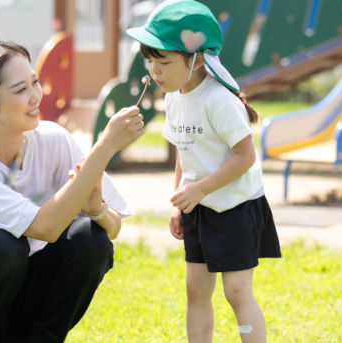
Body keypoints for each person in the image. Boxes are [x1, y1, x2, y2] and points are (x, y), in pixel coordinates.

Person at [0, 41, 144, 342]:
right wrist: (106, 145)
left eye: (35, 82)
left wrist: (96, 209)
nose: (35, 97)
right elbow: (45, 227)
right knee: (5, 245)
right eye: (20, 90)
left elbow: (112, 229)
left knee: (90, 239)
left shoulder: (53, 140)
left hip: (16, 294)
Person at [126, 1, 281, 342]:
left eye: (162, 61)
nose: (154, 70)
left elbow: (245, 156)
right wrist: (178, 201)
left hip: (235, 206)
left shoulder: (218, 100)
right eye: (149, 60)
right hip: (199, 206)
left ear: (195, 60)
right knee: (196, 290)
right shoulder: (173, 97)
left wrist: (201, 189)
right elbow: (185, 151)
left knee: (237, 291)